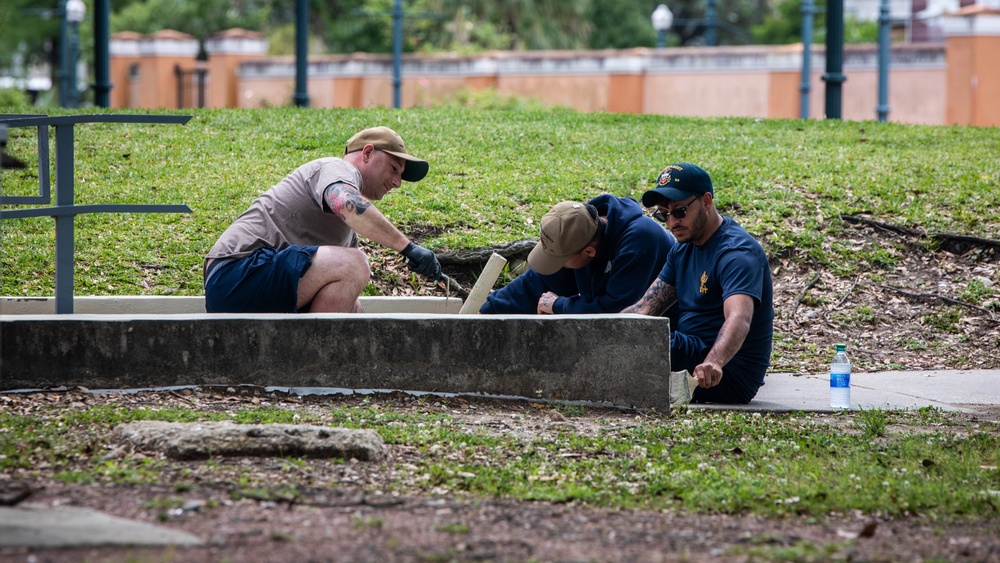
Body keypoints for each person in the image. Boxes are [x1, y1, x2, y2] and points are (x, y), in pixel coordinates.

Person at [203, 126, 442, 314]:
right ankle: (315, 369)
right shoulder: (336, 169)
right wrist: (408, 248)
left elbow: (345, 301)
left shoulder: (347, 235)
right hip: (236, 273)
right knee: (354, 264)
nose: (397, 182)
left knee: (353, 300)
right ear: (368, 153)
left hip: (246, 285)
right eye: (393, 168)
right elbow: (346, 203)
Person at [623, 163, 773, 404]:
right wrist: (601, 331)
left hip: (726, 372)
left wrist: (714, 362)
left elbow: (739, 318)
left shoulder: (736, 253)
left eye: (680, 211)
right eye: (664, 215)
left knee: (645, 343)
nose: (672, 223)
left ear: (706, 201)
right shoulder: (682, 248)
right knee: (630, 335)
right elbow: (644, 309)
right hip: (691, 351)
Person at [479, 194, 675, 314]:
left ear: (589, 252)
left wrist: (559, 306)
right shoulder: (580, 233)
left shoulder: (640, 242)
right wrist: (487, 311)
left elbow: (617, 313)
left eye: (561, 261)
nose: (559, 266)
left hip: (669, 340)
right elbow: (537, 282)